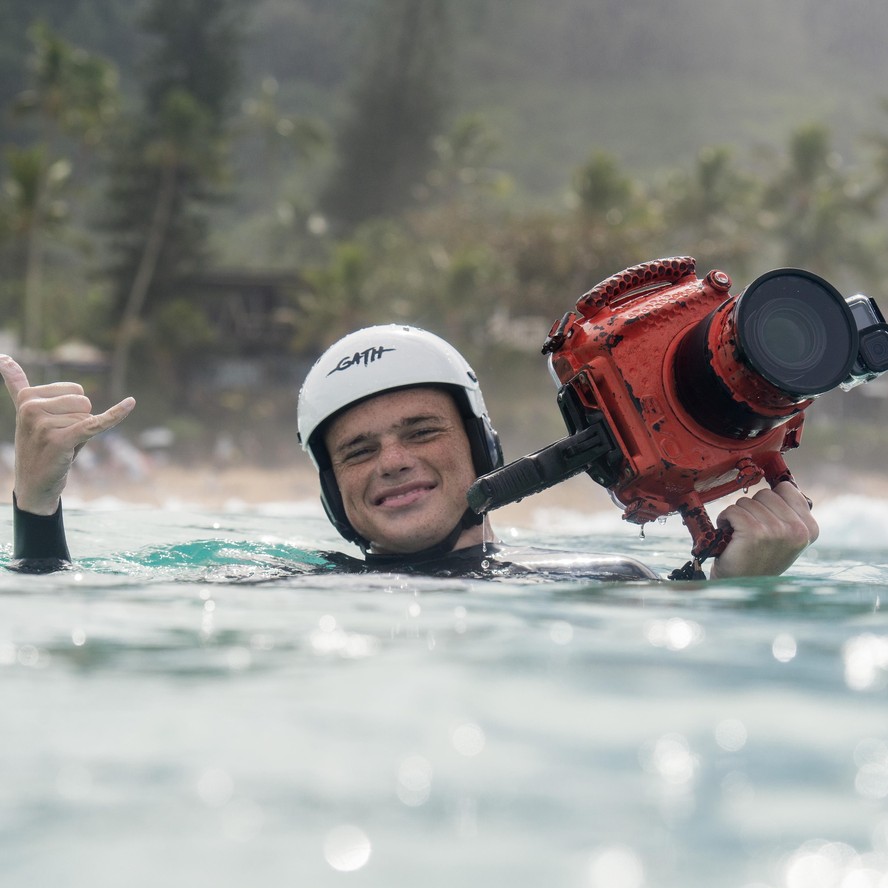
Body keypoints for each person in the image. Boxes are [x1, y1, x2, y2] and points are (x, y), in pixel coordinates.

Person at [0, 325, 819, 579]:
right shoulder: (279, 586)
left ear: (483, 449)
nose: (390, 460)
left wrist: (744, 589)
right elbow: (68, 625)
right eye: (356, 451)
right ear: (331, 493)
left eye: (422, 432)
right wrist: (36, 506)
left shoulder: (610, 585)